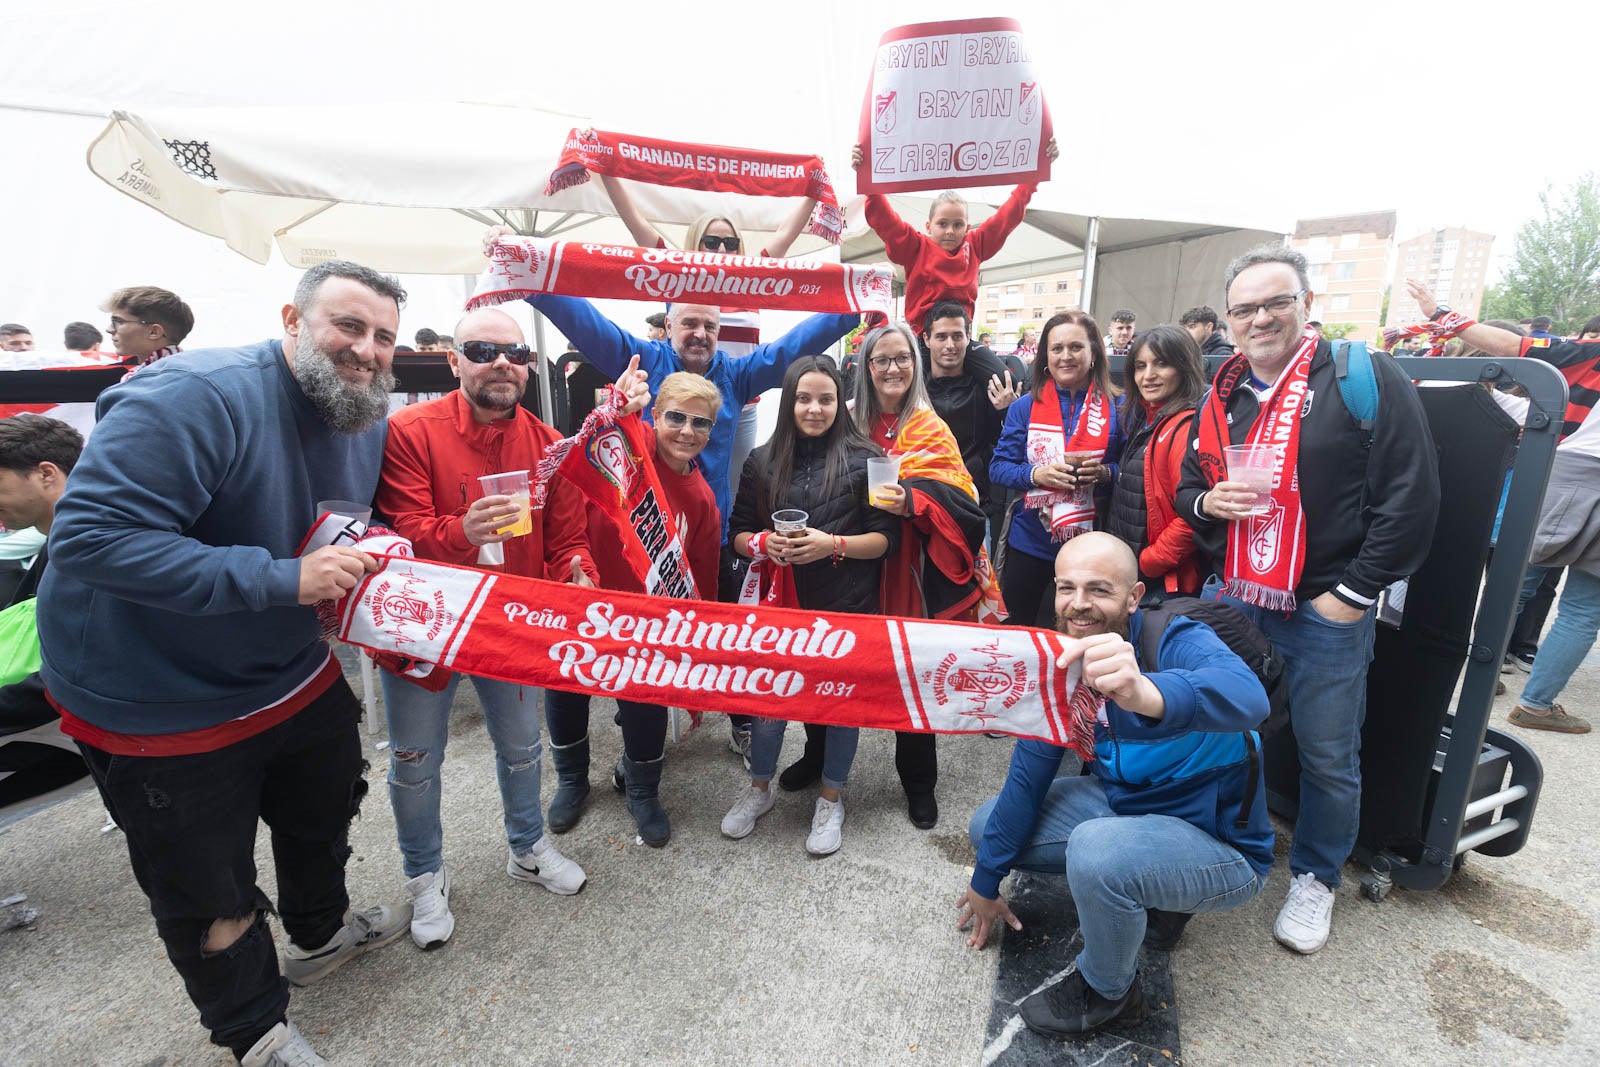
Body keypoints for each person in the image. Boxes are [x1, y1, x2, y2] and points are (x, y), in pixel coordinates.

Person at [38, 261, 413, 1066]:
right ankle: (256, 1030)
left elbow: (342, 520)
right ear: (290, 318)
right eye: (348, 325)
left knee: (324, 808)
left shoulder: (363, 412)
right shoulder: (196, 394)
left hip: (288, 666)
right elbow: (91, 538)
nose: (367, 349)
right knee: (206, 885)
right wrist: (283, 579)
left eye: (383, 336)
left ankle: (316, 935)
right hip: (157, 693)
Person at [1176, 245, 1439, 956]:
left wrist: (1350, 595)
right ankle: (1223, 835)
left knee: (1327, 754)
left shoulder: (1361, 375)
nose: (1260, 317)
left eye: (1276, 302)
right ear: (1227, 322)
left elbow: (1411, 500)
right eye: (1245, 308)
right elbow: (1184, 493)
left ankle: (1316, 875)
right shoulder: (1223, 393)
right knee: (1228, 729)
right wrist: (1207, 499)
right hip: (1237, 598)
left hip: (1324, 607)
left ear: (1306, 303)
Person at [960, 533, 1272, 1039]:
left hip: (1224, 846)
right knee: (986, 828)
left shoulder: (1171, 635)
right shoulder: (1063, 665)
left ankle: (1110, 993)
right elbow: (1028, 777)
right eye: (1067, 587)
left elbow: (1248, 698)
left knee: (1097, 851)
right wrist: (985, 881)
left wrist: (1145, 694)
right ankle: (1146, 891)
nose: (1079, 604)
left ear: (1133, 597)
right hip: (1130, 807)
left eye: (1099, 589)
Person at [375, 307, 611, 949]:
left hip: (509, 627)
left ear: (530, 367)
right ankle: (424, 876)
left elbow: (567, 537)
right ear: (454, 361)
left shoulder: (547, 442)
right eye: (482, 349)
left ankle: (527, 847)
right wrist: (462, 530)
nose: (502, 362)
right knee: (416, 762)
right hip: (424, 627)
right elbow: (397, 531)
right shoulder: (408, 430)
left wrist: (579, 571)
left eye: (515, 354)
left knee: (522, 750)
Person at [723, 356, 897, 855]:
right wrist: (762, 544)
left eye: (825, 398)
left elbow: (887, 541)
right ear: (789, 401)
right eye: (804, 398)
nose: (814, 409)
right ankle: (759, 789)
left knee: (842, 705)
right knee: (771, 701)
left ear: (839, 402)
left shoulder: (870, 458)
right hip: (783, 608)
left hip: (848, 607)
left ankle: (831, 798)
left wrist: (832, 545)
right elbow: (736, 533)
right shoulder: (761, 459)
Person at [543, 370, 723, 845]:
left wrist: (696, 639)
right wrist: (620, 404)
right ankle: (572, 779)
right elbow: (595, 442)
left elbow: (701, 577)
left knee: (646, 705)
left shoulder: (704, 500)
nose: (687, 431)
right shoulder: (627, 448)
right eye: (676, 417)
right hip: (586, 597)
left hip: (647, 619)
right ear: (656, 417)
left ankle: (642, 789)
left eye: (700, 424)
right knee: (565, 690)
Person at [990, 312, 1125, 627]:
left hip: (1093, 547)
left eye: (1076, 347)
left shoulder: (1119, 406)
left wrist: (1104, 474)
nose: (1066, 356)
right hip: (1030, 542)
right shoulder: (1025, 406)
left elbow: (1131, 472)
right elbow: (998, 468)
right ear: (1045, 356)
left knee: (1080, 631)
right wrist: (1036, 475)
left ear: (1093, 353)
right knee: (1020, 630)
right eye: (1057, 348)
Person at [850, 140, 1059, 335]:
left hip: (962, 344)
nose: (950, 231)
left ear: (967, 228)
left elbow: (1008, 215)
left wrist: (1035, 176)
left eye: (957, 225)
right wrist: (868, 180)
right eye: (943, 224)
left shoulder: (975, 245)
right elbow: (888, 222)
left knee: (1000, 372)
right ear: (929, 227)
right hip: (923, 341)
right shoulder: (916, 247)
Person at [0, 415, 87, 813]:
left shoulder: (88, 550)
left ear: (45, 474)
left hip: (81, 735)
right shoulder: (61, 537)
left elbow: (73, 670)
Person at [1105, 326, 1207, 596]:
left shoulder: (1184, 426)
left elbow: (1193, 515)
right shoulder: (1145, 417)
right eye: (1140, 366)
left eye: (1161, 364)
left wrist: (1149, 562)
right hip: (1136, 572)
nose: (1148, 376)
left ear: (1185, 367)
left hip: (1160, 582)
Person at [920, 301, 1020, 554]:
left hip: (972, 504)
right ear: (927, 339)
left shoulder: (989, 391)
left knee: (976, 589)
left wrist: (1007, 411)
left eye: (957, 336)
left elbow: (1005, 447)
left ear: (968, 338)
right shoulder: (913, 391)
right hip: (923, 503)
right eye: (941, 337)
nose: (950, 345)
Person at [102, 286, 194, 373]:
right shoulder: (180, 371)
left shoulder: (164, 378)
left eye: (119, 321)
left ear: (154, 332)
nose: (109, 329)